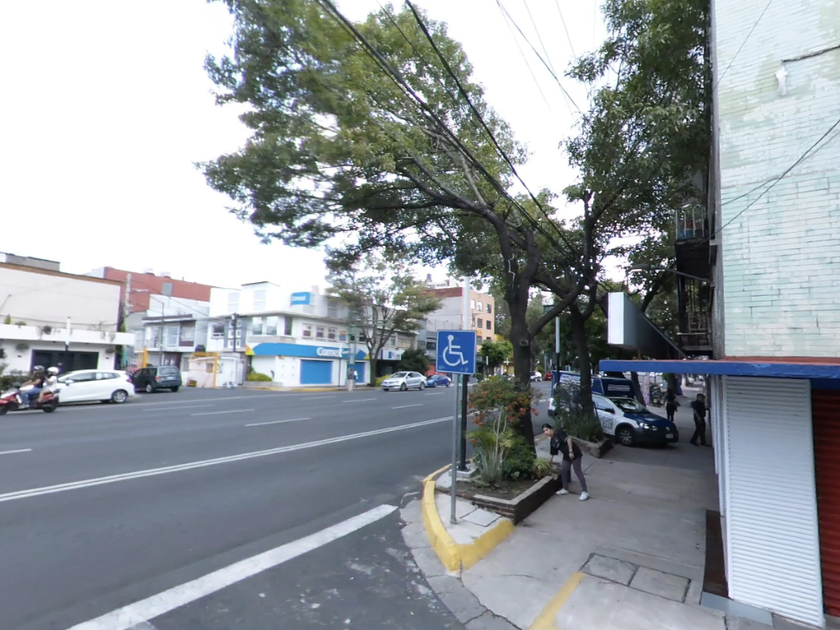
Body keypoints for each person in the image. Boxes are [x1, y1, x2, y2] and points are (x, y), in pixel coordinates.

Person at [542, 423, 589, 501]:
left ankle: (585, 491)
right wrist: (548, 462)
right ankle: (565, 488)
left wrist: (571, 451)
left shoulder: (558, 433)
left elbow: (569, 439)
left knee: (578, 471)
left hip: (574, 453)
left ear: (551, 429)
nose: (545, 432)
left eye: (546, 430)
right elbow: (553, 453)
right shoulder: (552, 441)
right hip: (566, 456)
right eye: (544, 431)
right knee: (563, 469)